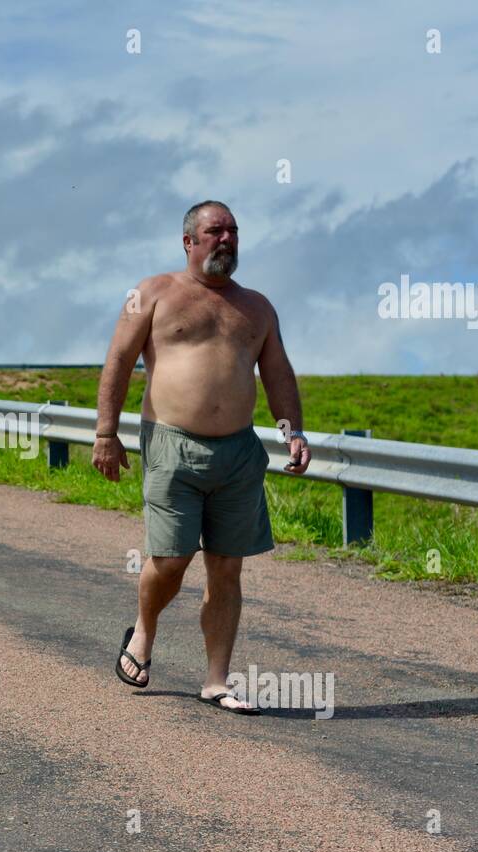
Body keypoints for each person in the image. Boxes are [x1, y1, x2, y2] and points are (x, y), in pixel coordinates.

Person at [94, 200, 311, 714]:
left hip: (238, 451)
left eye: (233, 231)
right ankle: (143, 633)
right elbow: (119, 360)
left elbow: (277, 372)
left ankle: (216, 679)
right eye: (216, 231)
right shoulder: (150, 293)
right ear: (189, 241)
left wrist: (292, 431)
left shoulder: (257, 307)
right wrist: (106, 432)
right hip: (172, 443)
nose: (227, 239)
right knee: (170, 559)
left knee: (226, 568)